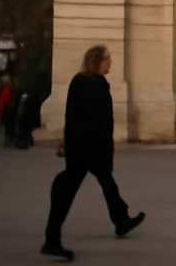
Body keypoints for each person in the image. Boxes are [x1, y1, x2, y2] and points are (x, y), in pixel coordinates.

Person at [41, 46, 145, 261]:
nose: (110, 62)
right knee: (67, 192)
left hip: (92, 149)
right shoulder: (83, 84)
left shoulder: (95, 84)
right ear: (97, 60)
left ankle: (121, 220)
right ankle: (52, 239)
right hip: (85, 149)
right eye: (107, 58)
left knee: (107, 183)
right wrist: (71, 145)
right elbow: (77, 119)